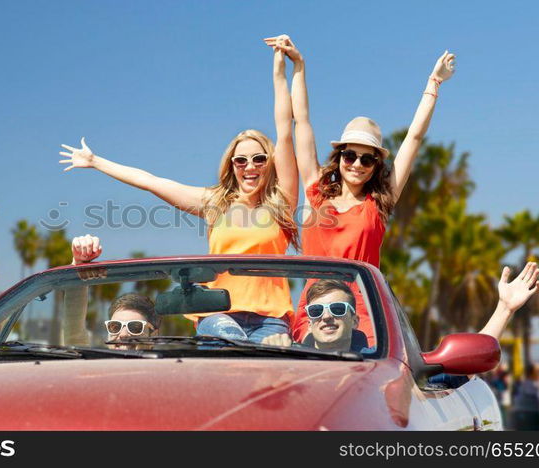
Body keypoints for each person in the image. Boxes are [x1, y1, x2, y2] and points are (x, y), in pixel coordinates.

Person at [59, 72, 301, 342]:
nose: (250, 166)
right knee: (232, 341)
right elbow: (150, 181)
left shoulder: (281, 206)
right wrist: (96, 161)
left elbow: (285, 132)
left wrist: (280, 70)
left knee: (270, 368)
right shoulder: (215, 205)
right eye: (240, 160)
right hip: (218, 315)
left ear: (270, 163)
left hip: (270, 320)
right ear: (231, 166)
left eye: (259, 159)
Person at [264, 35, 456, 344]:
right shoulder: (317, 193)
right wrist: (298, 67)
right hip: (314, 311)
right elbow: (301, 122)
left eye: (367, 159)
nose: (357, 164)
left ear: (376, 165)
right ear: (339, 158)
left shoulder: (378, 204)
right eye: (350, 155)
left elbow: (414, 140)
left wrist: (434, 83)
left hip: (364, 316)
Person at [262, 263, 539, 365]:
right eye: (317, 311)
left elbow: (463, 368)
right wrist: (267, 357)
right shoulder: (285, 357)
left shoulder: (389, 364)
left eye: (337, 309)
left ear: (355, 319)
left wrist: (505, 308)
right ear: (308, 319)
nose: (326, 317)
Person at [63, 234, 160, 347]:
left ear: (153, 336)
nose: (123, 335)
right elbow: (74, 336)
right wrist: (79, 264)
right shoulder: (92, 365)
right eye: (115, 327)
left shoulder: (174, 364)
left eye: (135, 327)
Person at [511, 363, 539, 430]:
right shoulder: (531, 384)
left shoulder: (526, 383)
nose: (538, 374)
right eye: (537, 372)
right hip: (528, 413)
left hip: (523, 412)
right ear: (533, 373)